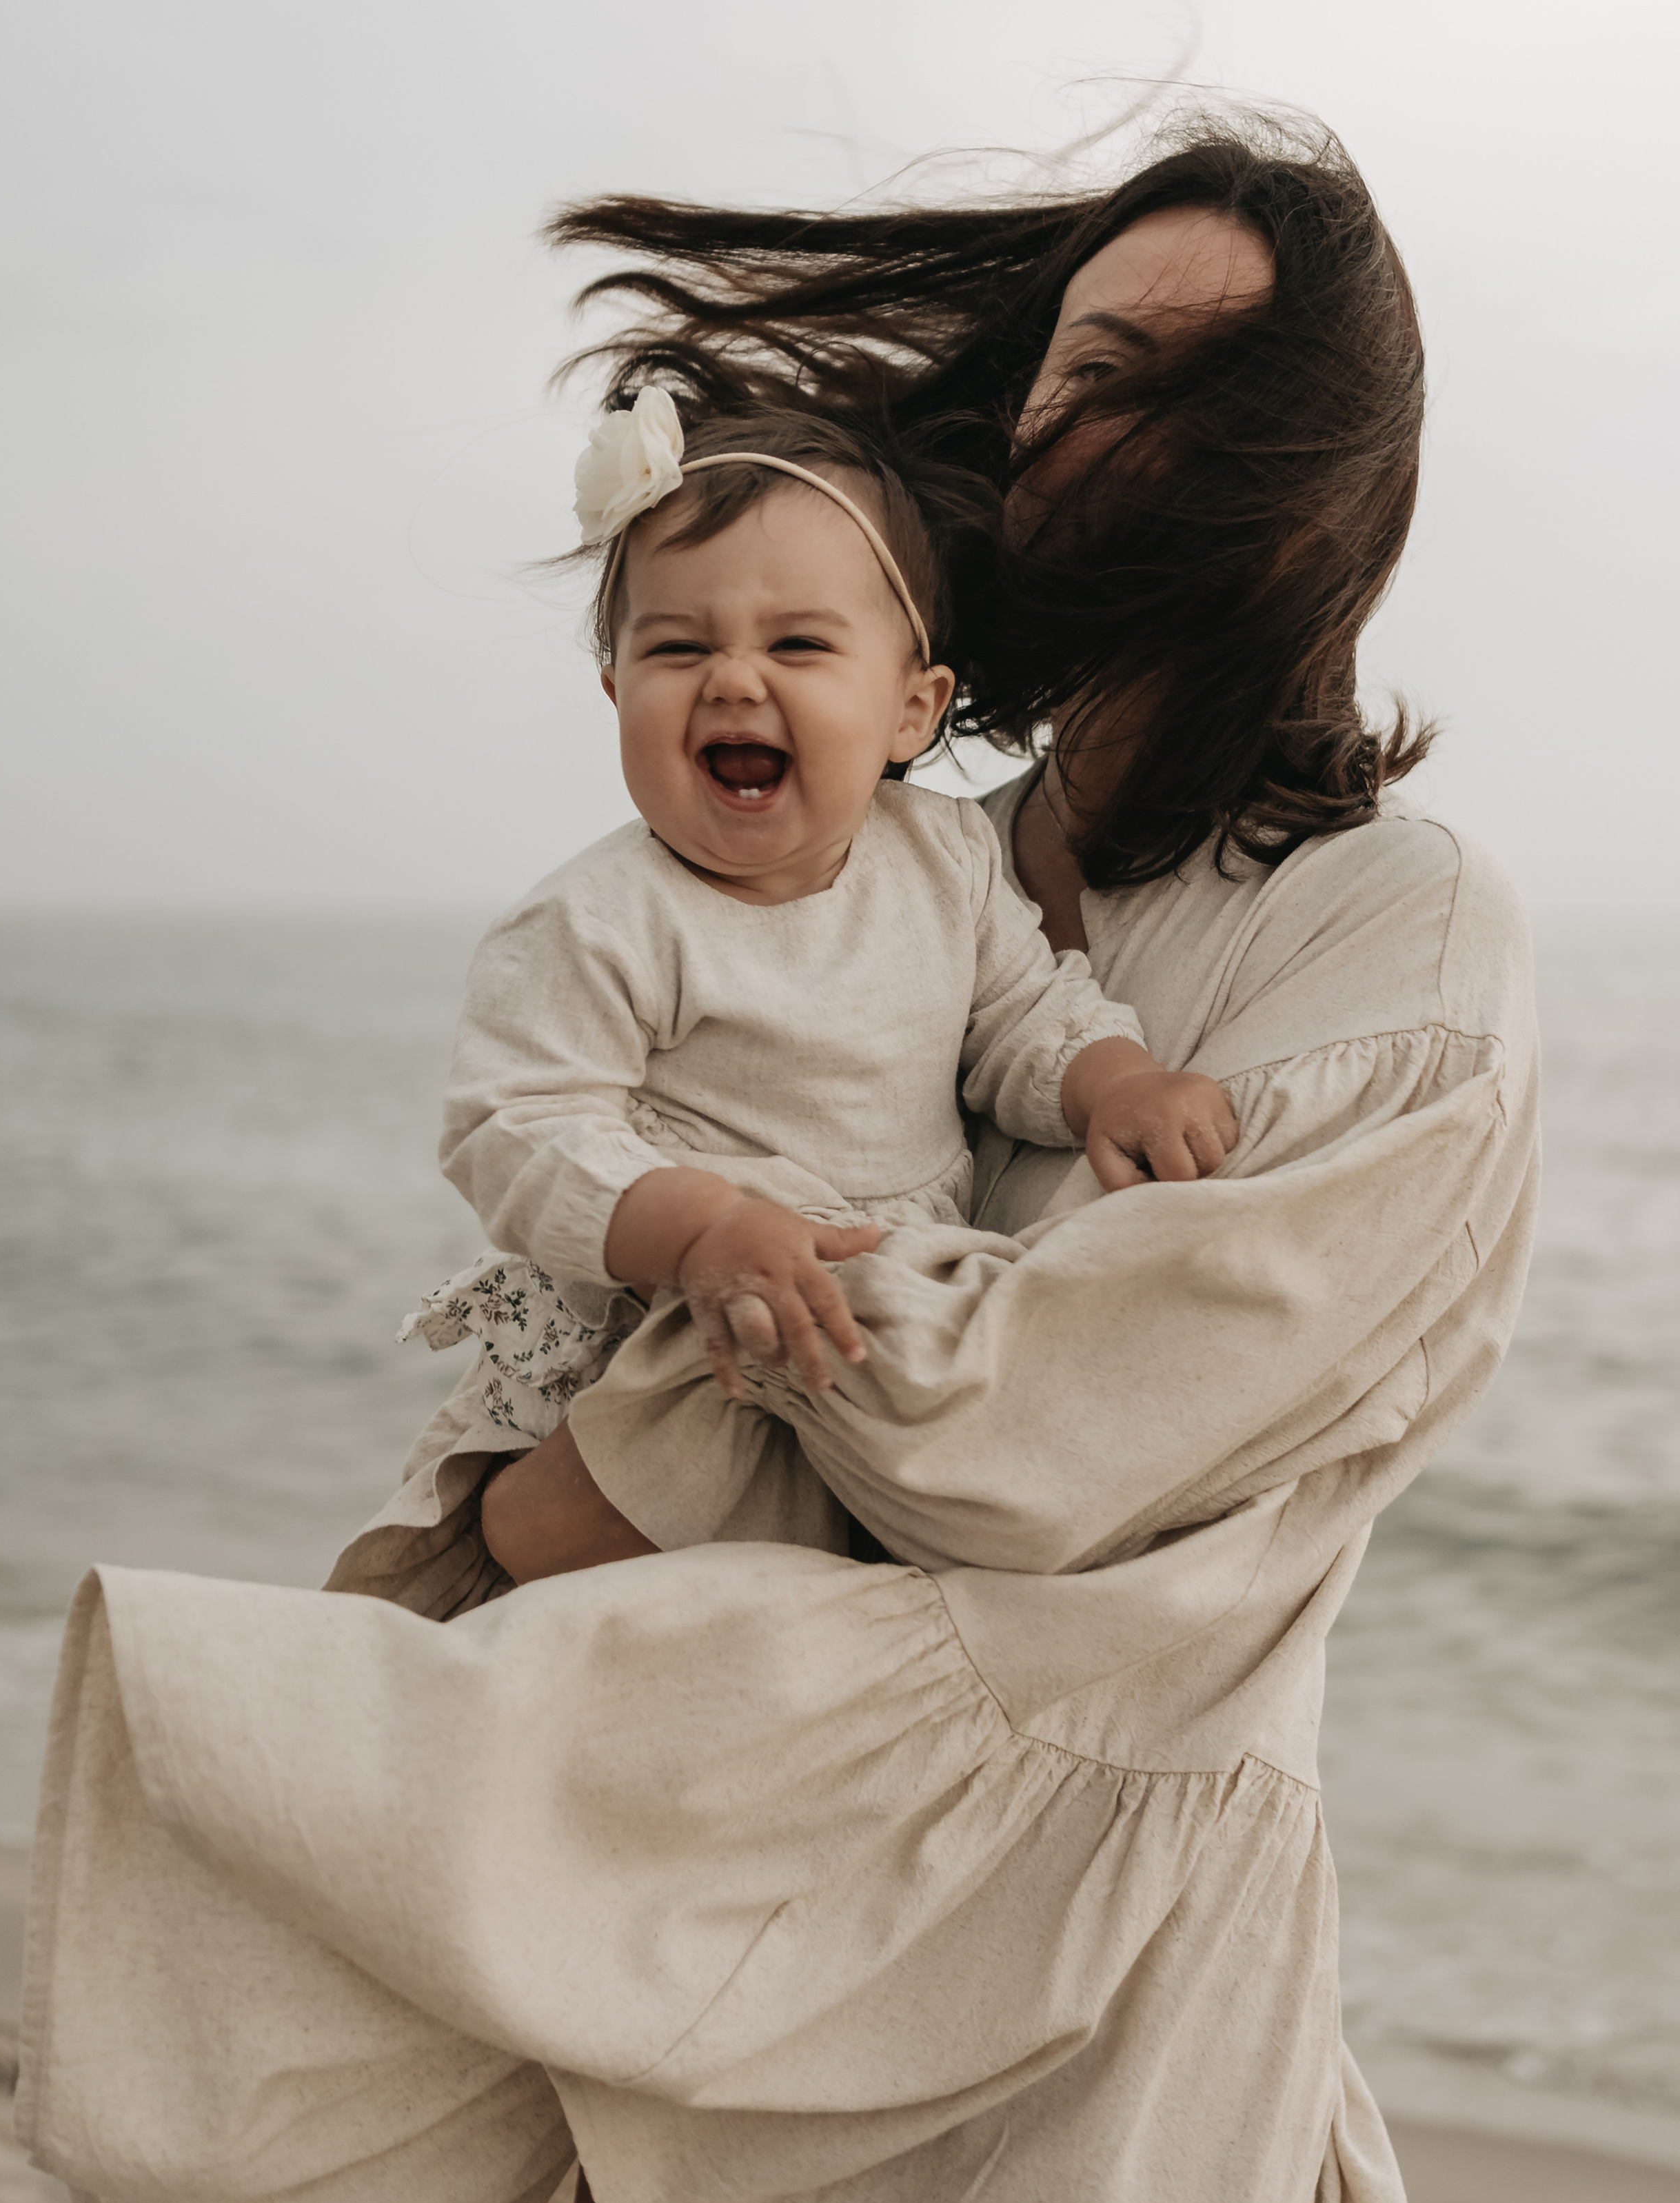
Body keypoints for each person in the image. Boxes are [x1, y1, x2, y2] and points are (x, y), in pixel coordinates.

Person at [17, 115, 1538, 2203]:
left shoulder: (1403, 924)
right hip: (768, 1935)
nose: (1074, 426)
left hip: (1082, 2007)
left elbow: (1043, 1441)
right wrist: (558, 1457)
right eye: (1071, 367)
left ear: (1324, 462)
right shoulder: (902, 852)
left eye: (1166, 377)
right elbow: (596, 1169)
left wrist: (627, 1440)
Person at [403, 394, 1235, 1587]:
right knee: (576, 1517)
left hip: (880, 1318)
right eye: (678, 648)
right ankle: (546, 1560)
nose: (735, 680)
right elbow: (514, 1127)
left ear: (914, 707)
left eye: (797, 645)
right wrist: (693, 1227)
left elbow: (1022, 1013)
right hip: (699, 1316)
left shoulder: (941, 862)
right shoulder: (598, 919)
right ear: (614, 692)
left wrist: (1118, 1084)